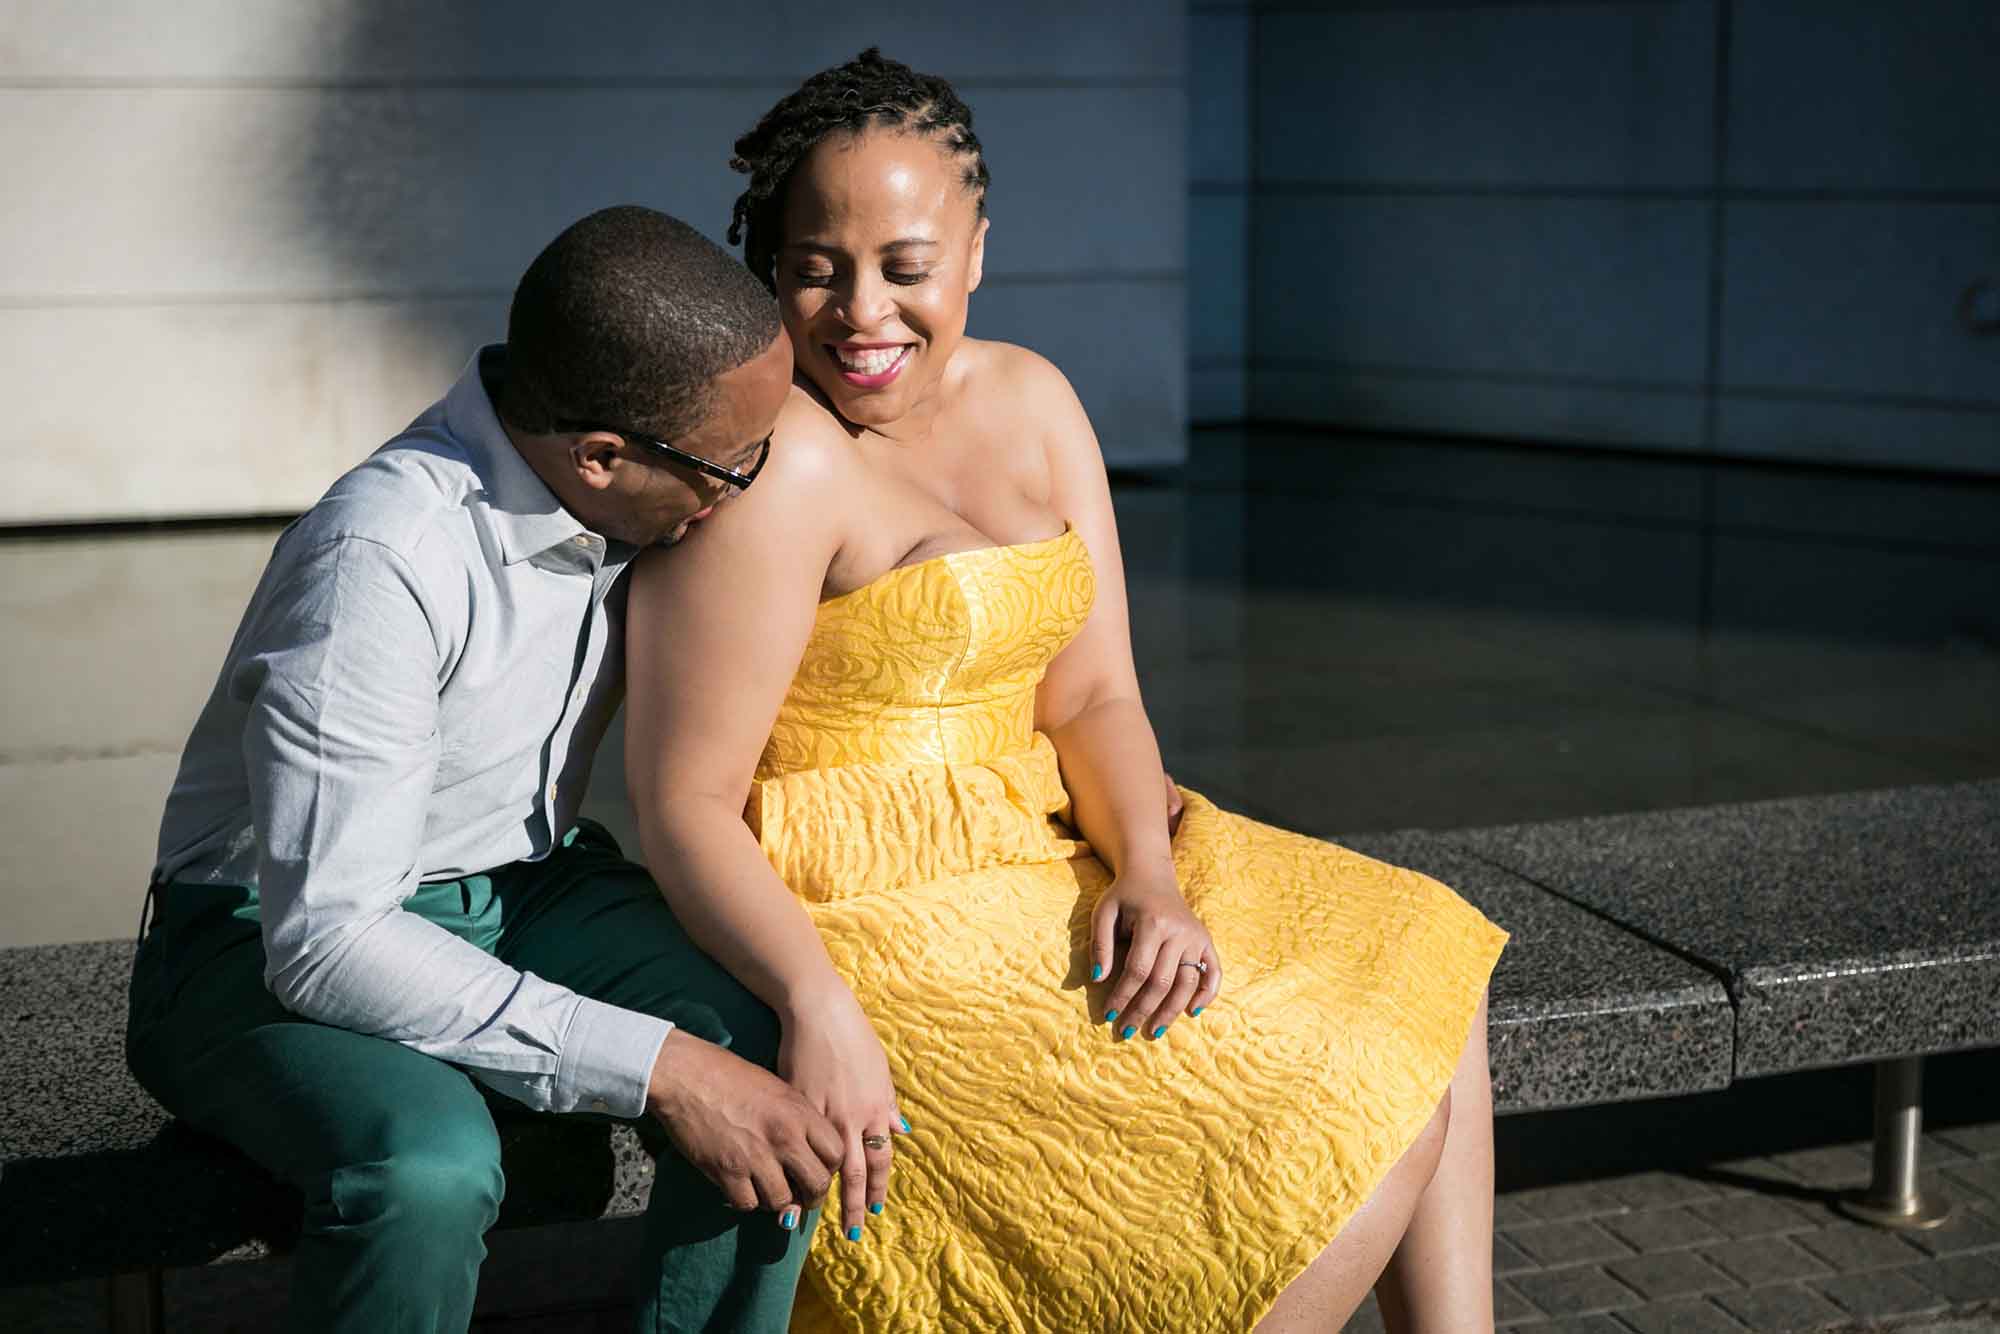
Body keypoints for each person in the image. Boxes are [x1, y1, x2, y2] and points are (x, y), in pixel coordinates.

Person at [621, 49, 1511, 1334]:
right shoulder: (776, 470)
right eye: (816, 267)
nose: (862, 314)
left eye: (906, 267)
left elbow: (1093, 695)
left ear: (976, 254)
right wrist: (815, 1002)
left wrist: (1147, 873)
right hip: (861, 909)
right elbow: (683, 802)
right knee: (1347, 1124)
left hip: (1044, 836)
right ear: (769, 265)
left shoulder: (1032, 399)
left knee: (1419, 953)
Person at [128, 207, 848, 1334]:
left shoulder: (637, 479)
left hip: (526, 881)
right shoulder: (381, 559)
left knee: (774, 1044)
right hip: (261, 934)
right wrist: (660, 1068)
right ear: (600, 456)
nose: (750, 488)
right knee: (426, 1167)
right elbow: (330, 941)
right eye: (734, 464)